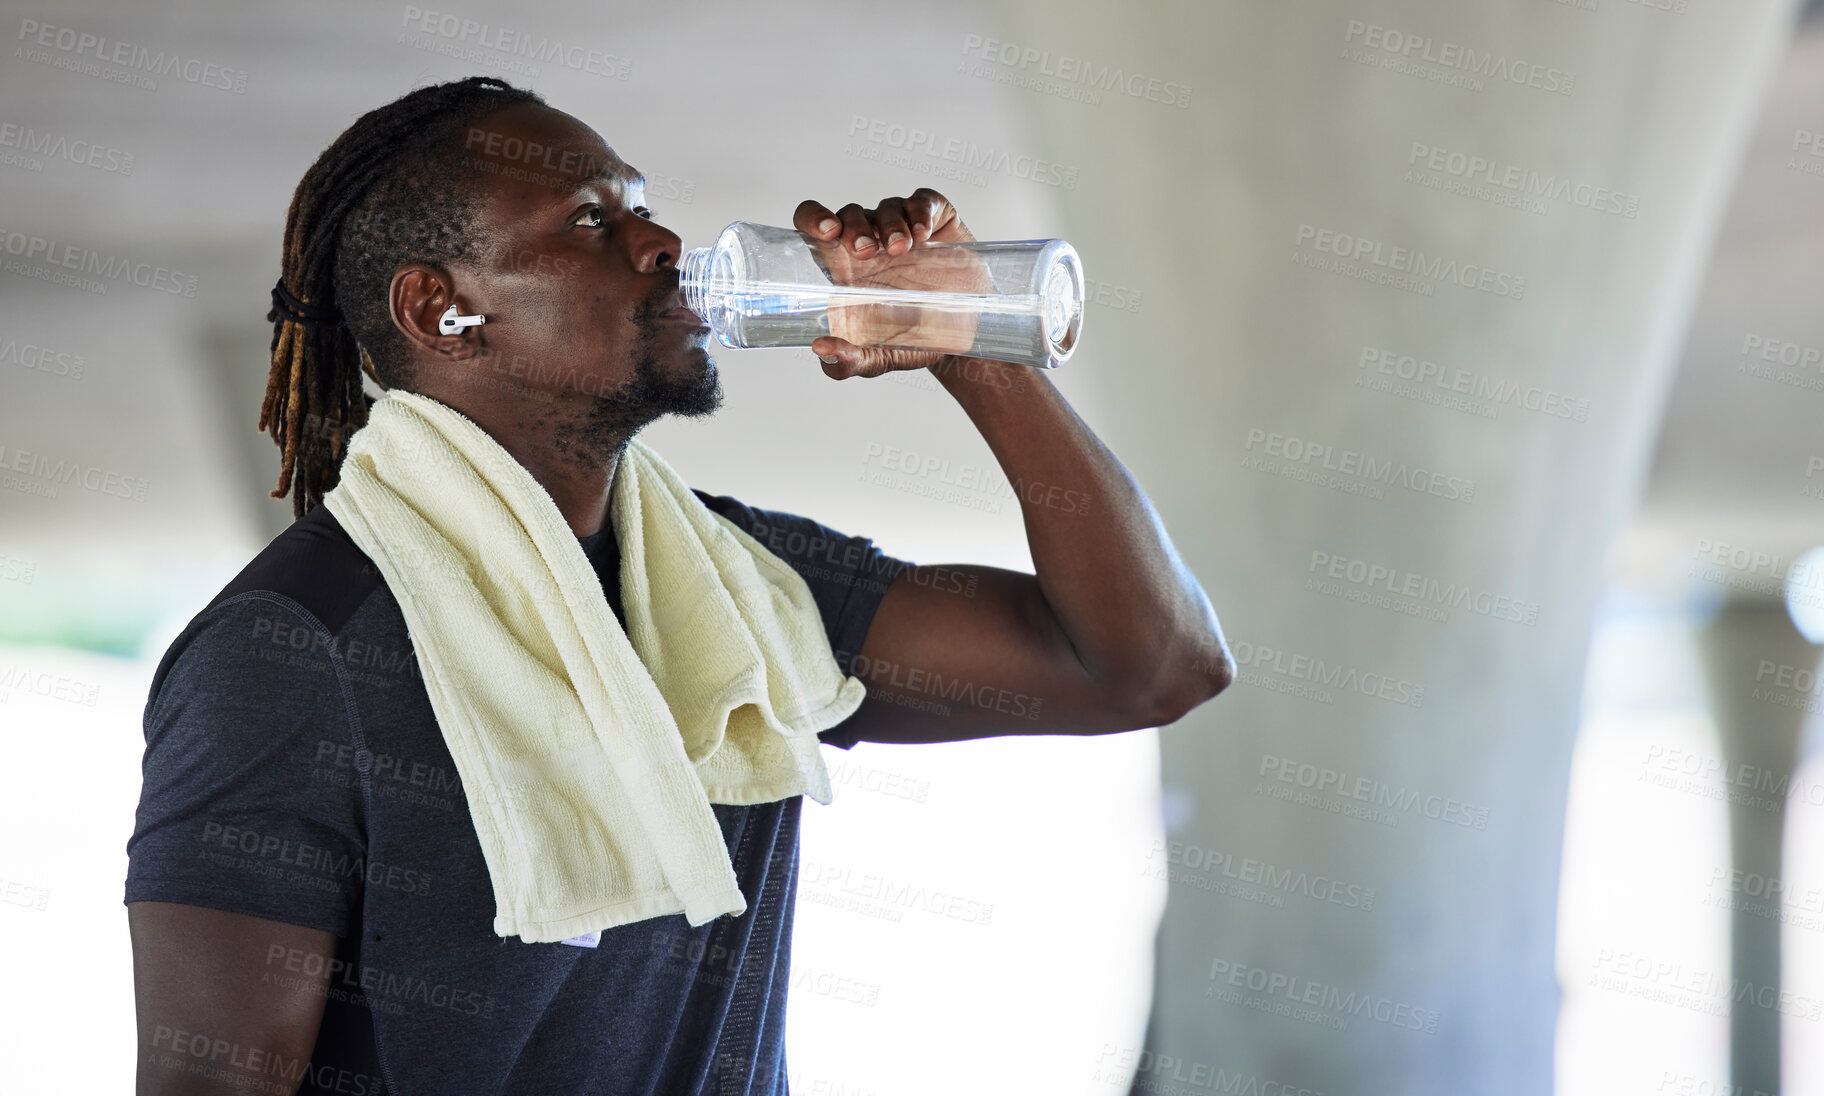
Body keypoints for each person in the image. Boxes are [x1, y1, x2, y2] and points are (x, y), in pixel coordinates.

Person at [123, 75, 1232, 1096]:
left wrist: (973, 349)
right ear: (440, 310)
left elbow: (1150, 667)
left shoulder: (741, 583)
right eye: (592, 221)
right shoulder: (287, 647)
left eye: (642, 207)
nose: (660, 241)